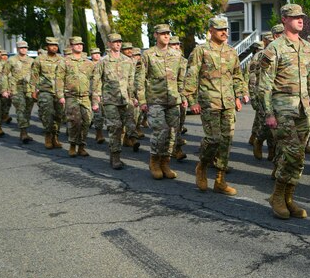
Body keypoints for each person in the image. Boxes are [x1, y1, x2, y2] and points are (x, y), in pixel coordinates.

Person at [260, 4, 310, 218]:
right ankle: (277, 196)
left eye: (301, 17)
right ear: (284, 19)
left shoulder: (307, 47)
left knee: (299, 156)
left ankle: (288, 198)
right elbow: (265, 85)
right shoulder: (274, 48)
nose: (300, 20)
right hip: (282, 109)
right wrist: (268, 113)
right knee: (293, 153)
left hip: (304, 109)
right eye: (295, 17)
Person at [184, 17, 248, 195]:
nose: (224, 32)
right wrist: (192, 100)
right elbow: (191, 75)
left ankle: (220, 180)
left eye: (226, 29)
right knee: (213, 139)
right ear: (211, 30)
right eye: (220, 29)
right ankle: (202, 167)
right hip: (209, 101)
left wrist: (239, 95)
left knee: (226, 140)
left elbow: (236, 75)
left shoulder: (231, 51)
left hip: (227, 101)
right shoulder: (201, 50)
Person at [136, 25, 186, 179]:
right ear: (155, 35)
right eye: (163, 34)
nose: (166, 36)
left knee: (172, 133)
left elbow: (181, 79)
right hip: (155, 100)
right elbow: (139, 79)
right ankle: (154, 161)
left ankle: (165, 162)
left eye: (168, 34)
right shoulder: (148, 55)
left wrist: (183, 97)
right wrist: (142, 100)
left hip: (173, 100)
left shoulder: (176, 55)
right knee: (160, 131)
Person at [92, 33, 137, 170]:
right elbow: (96, 80)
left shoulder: (128, 61)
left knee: (129, 126)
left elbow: (131, 81)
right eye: (115, 42)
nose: (118, 44)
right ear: (109, 44)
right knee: (115, 127)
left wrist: (133, 97)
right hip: (110, 100)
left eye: (119, 42)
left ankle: (116, 153)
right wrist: (95, 99)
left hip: (125, 99)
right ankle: (115, 157)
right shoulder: (103, 62)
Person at [56, 36, 95, 157]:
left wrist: (95, 96)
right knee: (74, 121)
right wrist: (60, 95)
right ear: (72, 46)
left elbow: (94, 79)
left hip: (85, 96)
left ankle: (82, 146)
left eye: (81, 44)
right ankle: (73, 145)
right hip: (71, 96)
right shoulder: (65, 61)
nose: (79, 46)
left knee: (87, 120)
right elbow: (59, 79)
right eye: (77, 44)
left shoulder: (88, 63)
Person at [32, 37, 65, 149]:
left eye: (56, 45)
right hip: (45, 90)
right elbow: (34, 75)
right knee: (47, 114)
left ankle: (55, 137)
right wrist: (33, 90)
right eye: (52, 45)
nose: (54, 47)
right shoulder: (39, 59)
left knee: (59, 115)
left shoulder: (62, 59)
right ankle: (48, 135)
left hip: (59, 91)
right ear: (47, 47)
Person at [2, 41, 35, 143]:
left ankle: (24, 130)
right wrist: (4, 90)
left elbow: (35, 76)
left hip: (29, 89)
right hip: (16, 89)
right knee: (20, 110)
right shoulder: (11, 60)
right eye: (21, 48)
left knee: (28, 111)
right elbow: (4, 75)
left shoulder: (31, 61)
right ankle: (23, 132)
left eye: (25, 48)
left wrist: (36, 89)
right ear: (17, 49)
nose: (23, 49)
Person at [89, 47, 106, 144]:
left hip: (106, 92)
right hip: (94, 92)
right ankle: (99, 133)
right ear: (91, 55)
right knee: (98, 114)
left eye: (98, 53)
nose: (97, 55)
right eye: (95, 54)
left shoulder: (104, 64)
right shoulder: (89, 65)